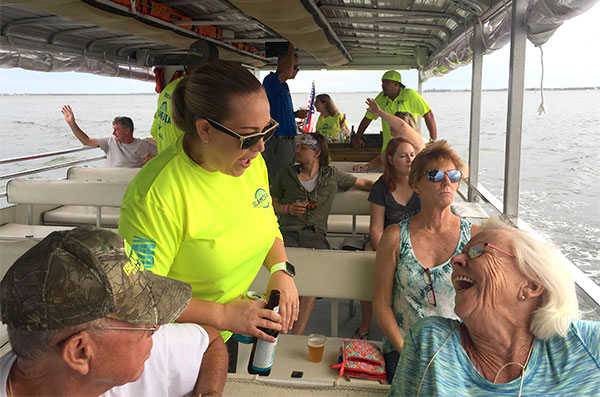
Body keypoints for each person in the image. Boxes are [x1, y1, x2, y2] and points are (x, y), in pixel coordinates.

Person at [118, 61, 299, 372]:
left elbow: (267, 220)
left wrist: (281, 270)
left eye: (267, 130)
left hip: (228, 328)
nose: (260, 147)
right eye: (248, 136)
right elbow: (141, 294)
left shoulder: (250, 163)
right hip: (172, 344)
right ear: (205, 129)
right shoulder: (157, 195)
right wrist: (224, 315)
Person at [0, 227, 227, 397]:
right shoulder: (129, 351)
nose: (156, 328)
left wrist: (210, 393)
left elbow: (210, 343)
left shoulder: (137, 350)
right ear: (80, 352)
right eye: (141, 320)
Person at [391, 218, 599, 396]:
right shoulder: (431, 341)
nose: (455, 260)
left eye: (477, 251)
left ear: (531, 284)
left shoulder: (589, 344)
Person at [373, 140, 476, 383]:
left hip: (458, 348)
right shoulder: (395, 237)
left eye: (453, 175)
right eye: (435, 175)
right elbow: (381, 305)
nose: (446, 181)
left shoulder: (473, 239)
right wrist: (408, 351)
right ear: (416, 184)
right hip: (405, 346)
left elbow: (485, 302)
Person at [271, 133, 373, 335]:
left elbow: (364, 185)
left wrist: (396, 188)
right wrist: (287, 209)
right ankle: (278, 328)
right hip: (287, 233)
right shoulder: (285, 174)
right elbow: (270, 204)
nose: (297, 150)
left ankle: (295, 335)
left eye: (303, 148)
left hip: (315, 235)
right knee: (282, 274)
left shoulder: (332, 175)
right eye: (298, 146)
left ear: (317, 152)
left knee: (314, 276)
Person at [351, 136, 425, 340]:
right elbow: (376, 228)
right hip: (384, 242)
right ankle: (365, 325)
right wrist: (387, 254)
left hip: (415, 243)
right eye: (403, 156)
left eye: (412, 155)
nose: (410, 160)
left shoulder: (421, 186)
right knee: (368, 258)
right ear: (390, 159)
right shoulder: (381, 187)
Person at [150, 40, 217, 153]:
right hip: (186, 164)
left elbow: (155, 131)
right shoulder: (199, 95)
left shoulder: (169, 88)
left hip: (167, 162)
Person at [352, 70, 437, 151]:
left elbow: (428, 114)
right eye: (382, 82)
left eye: (386, 82)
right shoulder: (381, 98)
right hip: (388, 148)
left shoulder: (410, 95)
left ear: (397, 84)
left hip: (410, 148)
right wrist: (357, 138)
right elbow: (367, 118)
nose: (383, 85)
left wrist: (433, 140)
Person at [262, 43, 309, 181]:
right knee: (278, 179)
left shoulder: (283, 86)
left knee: (288, 177)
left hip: (287, 140)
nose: (297, 70)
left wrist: (295, 115)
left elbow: (276, 111)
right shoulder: (271, 80)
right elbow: (286, 73)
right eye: (295, 66)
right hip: (278, 140)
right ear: (283, 65)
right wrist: (291, 45)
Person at [61, 105, 157, 167]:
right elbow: (86, 141)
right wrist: (72, 123)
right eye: (113, 129)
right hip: (111, 181)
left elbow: (164, 155)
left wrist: (154, 158)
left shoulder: (143, 145)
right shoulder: (110, 142)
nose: (113, 133)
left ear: (127, 130)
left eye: (117, 130)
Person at [353, 98, 424, 172]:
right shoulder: (395, 143)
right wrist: (368, 166)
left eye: (393, 124)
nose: (390, 126)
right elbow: (381, 159)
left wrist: (380, 112)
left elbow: (402, 126)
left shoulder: (417, 142)